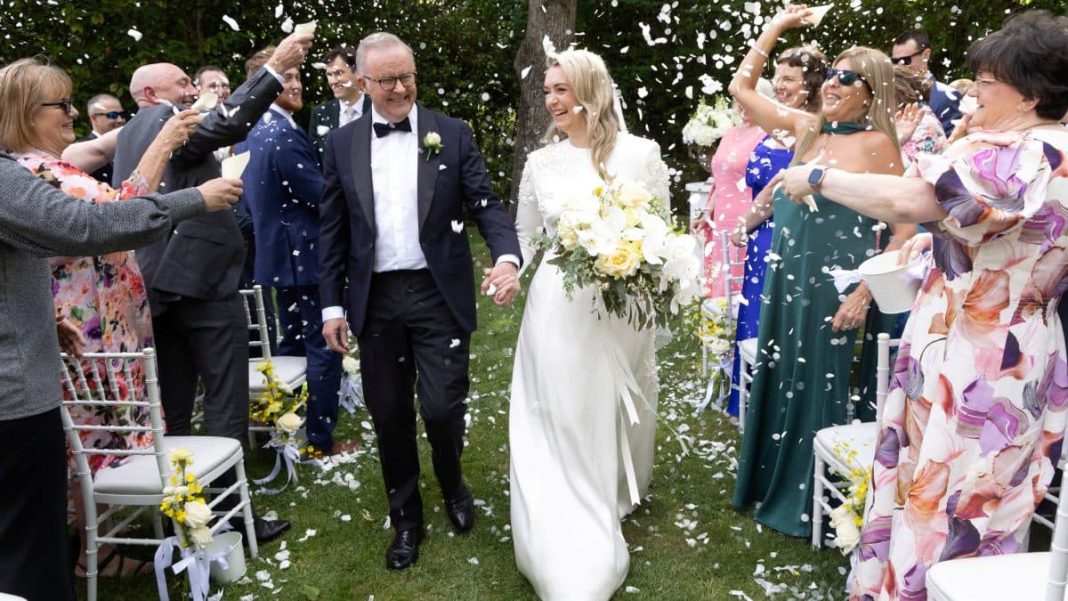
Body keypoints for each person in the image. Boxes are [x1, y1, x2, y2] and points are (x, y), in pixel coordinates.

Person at [779, 11, 1068, 599]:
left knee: (951, 505)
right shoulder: (1037, 149)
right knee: (963, 501)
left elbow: (917, 197)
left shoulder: (1031, 154)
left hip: (984, 355)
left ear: (1031, 93)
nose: (977, 92)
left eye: (989, 81)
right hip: (996, 339)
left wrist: (817, 175)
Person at [0, 133, 242, 601]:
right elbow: (81, 226)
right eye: (60, 103)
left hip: (24, 359)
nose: (71, 114)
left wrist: (42, 318)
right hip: (13, 395)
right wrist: (189, 200)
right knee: (30, 550)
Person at [318, 32, 522, 571]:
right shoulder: (340, 145)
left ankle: (452, 480)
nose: (402, 87)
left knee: (441, 407)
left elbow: (487, 205)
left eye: (408, 75)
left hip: (438, 293)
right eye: (387, 80)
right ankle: (406, 518)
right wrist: (331, 307)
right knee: (388, 415)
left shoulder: (450, 134)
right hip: (375, 298)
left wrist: (506, 258)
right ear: (362, 84)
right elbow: (332, 232)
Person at [0, 56, 202, 579]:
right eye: (61, 104)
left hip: (72, 325)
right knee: (83, 447)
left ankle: (86, 550)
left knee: (89, 444)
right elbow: (108, 218)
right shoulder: (27, 174)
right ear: (24, 111)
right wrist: (190, 189)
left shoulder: (43, 166)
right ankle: (74, 557)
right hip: (68, 344)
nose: (73, 112)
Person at [112, 30, 314, 545]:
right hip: (200, 283)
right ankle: (231, 519)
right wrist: (277, 67)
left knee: (176, 406)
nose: (190, 89)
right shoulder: (163, 122)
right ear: (149, 95)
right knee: (225, 401)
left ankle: (182, 517)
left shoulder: (129, 135)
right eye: (180, 82)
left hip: (161, 284)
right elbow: (227, 123)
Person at [728, 5, 915, 538]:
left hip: (832, 286)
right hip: (785, 278)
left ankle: (808, 500)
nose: (832, 82)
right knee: (778, 375)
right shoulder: (809, 130)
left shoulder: (877, 146)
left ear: (871, 91)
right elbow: (743, 90)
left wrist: (862, 292)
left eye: (846, 76)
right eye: (830, 72)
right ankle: (764, 484)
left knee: (815, 384)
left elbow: (903, 229)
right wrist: (776, 28)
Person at [509, 49, 667, 601]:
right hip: (557, 301)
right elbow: (526, 236)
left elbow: (661, 232)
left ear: (590, 93)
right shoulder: (539, 164)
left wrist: (638, 258)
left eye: (560, 90)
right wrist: (510, 268)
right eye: (547, 90)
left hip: (622, 306)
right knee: (557, 401)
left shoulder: (641, 155)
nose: (551, 100)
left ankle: (609, 490)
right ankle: (561, 517)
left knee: (606, 400)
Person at [241, 47, 345, 456]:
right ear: (264, 84)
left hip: (279, 256)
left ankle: (280, 424)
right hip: (304, 256)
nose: (297, 83)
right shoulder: (281, 133)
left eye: (299, 75)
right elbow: (320, 195)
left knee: (292, 344)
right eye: (286, 77)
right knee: (323, 347)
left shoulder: (252, 129)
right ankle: (319, 441)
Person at [727, 45, 827, 416]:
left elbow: (777, 190)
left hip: (785, 236)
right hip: (761, 242)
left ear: (811, 83)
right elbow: (740, 86)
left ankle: (773, 408)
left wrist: (744, 223)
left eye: (789, 78)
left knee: (776, 322)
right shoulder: (781, 122)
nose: (779, 85)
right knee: (755, 316)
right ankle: (752, 402)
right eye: (777, 76)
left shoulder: (811, 127)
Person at [693, 98, 767, 300]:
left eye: (748, 100)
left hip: (748, 217)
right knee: (721, 277)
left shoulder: (768, 135)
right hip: (721, 220)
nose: (742, 105)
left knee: (743, 278)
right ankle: (720, 324)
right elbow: (721, 178)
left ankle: (742, 326)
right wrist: (707, 213)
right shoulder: (730, 133)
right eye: (738, 101)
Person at [891, 29, 962, 137]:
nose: (899, 66)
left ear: (926, 55)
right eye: (895, 62)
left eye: (905, 60)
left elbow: (952, 141)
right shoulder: (889, 94)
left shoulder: (946, 95)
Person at [307, 46, 371, 159]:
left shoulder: (377, 108)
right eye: (329, 75)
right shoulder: (320, 114)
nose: (333, 81)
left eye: (338, 73)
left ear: (357, 72)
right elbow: (314, 161)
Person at [78, 93, 125, 183]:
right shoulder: (82, 150)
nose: (120, 120)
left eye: (122, 114)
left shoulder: (129, 146)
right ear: (94, 118)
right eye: (113, 115)